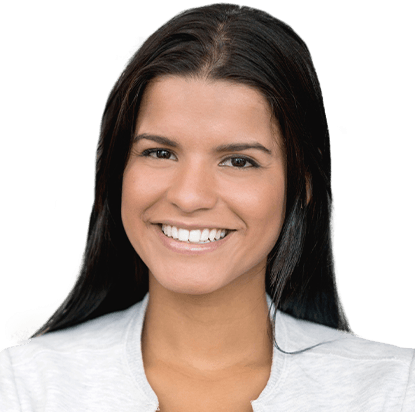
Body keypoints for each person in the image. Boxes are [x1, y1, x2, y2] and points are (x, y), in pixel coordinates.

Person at [1, 3, 413, 411]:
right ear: (115, 169)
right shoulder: (21, 389)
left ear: (301, 185)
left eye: (239, 161)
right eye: (160, 153)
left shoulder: (396, 391)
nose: (190, 196)